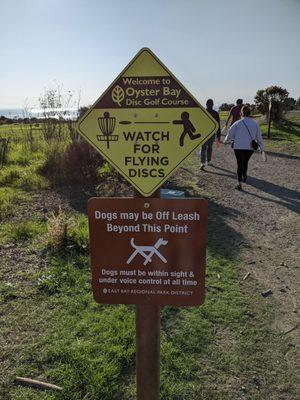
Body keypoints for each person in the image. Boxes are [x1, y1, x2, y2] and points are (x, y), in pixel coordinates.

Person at [223, 105, 264, 190]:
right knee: (245, 162)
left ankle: (239, 183)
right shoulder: (255, 123)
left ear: (241, 113)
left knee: (239, 164)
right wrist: (261, 148)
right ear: (250, 113)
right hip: (250, 149)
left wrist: (226, 140)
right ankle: (244, 176)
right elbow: (259, 137)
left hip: (238, 147)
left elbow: (230, 134)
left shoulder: (238, 123)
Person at [200, 99, 221, 170]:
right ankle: (208, 161)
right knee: (210, 147)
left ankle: (202, 163)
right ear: (213, 104)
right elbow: (218, 125)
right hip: (212, 133)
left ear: (206, 104)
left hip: (204, 133)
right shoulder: (215, 113)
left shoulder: (203, 112)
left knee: (203, 148)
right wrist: (218, 135)